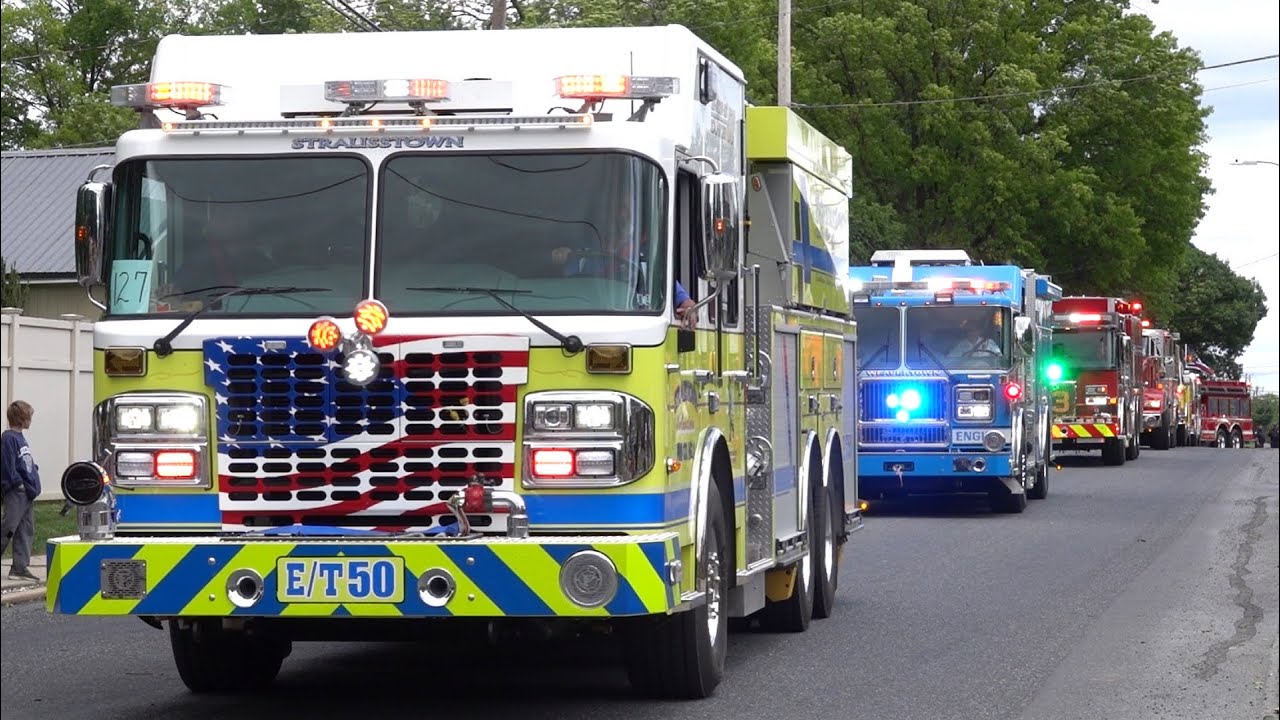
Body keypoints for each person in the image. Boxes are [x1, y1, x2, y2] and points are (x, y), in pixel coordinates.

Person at [551, 203, 696, 328]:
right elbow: (565, 293)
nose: (621, 215)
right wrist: (562, 257)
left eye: (626, 209)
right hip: (585, 325)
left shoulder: (647, 260)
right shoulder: (583, 254)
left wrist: (689, 310)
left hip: (632, 329)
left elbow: (684, 301)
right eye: (616, 209)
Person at [1, 400, 41, 581]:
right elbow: (8, 465)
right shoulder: (9, 438)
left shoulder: (20, 438)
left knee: (26, 529)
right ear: (21, 418)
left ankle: (19, 567)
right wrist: (18, 484)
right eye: (29, 417)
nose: (31, 420)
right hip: (17, 492)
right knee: (9, 528)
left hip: (27, 492)